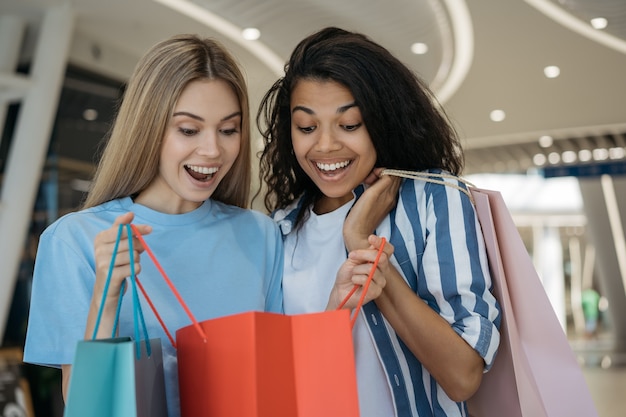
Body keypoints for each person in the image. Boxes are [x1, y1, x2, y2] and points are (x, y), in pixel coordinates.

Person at [22, 34, 286, 417]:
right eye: (189, 130)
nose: (212, 150)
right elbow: (85, 409)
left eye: (228, 130)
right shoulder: (74, 240)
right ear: (148, 128)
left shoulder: (261, 235)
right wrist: (106, 297)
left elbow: (277, 381)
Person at [256, 27, 501, 417]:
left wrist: (359, 239)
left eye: (349, 124)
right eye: (306, 127)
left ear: (382, 121)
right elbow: (282, 380)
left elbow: (462, 375)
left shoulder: (434, 199)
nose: (324, 146)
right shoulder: (278, 230)